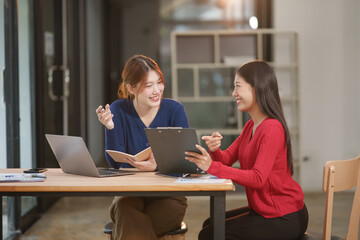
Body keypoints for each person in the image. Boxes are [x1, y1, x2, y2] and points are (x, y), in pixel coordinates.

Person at [185, 60, 308, 240]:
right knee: (210, 224)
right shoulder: (251, 125)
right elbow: (226, 159)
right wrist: (215, 151)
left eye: (238, 87)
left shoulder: (272, 128)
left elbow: (257, 178)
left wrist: (211, 166)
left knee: (209, 234)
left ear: (257, 88)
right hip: (265, 211)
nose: (234, 93)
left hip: (284, 216)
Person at [96, 55, 189, 240]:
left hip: (170, 196)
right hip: (129, 194)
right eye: (148, 86)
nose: (157, 91)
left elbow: (185, 161)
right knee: (125, 208)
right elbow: (115, 165)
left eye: (159, 82)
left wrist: (155, 167)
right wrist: (110, 129)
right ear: (131, 88)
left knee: (128, 226)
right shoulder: (118, 109)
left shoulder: (174, 110)